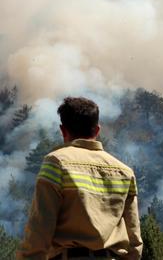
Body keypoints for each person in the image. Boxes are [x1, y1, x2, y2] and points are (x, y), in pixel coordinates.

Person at [16, 97, 143, 260]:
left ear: (63, 130)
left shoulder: (56, 163)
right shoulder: (125, 172)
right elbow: (134, 238)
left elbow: (40, 229)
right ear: (97, 130)